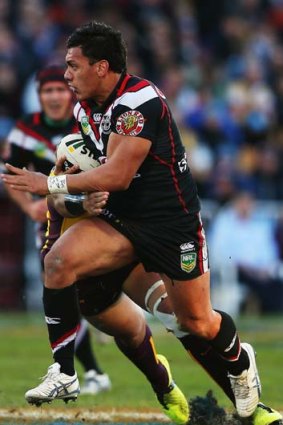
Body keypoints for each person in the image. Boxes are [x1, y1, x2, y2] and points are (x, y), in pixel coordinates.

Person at [1, 21, 263, 419]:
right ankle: (65, 370)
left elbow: (116, 175)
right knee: (57, 261)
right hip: (121, 219)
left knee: (196, 321)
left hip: (170, 224)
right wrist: (70, 186)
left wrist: (48, 181)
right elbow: (94, 173)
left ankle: (240, 363)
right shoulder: (84, 108)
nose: (66, 74)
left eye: (73, 66)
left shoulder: (139, 103)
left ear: (101, 67)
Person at [46, 189, 283, 425]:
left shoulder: (131, 156)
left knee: (184, 320)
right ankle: (163, 385)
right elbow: (55, 197)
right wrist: (69, 195)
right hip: (83, 265)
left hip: (127, 244)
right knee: (130, 332)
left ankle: (251, 409)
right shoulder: (70, 153)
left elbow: (121, 174)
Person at [1, 65, 111, 395]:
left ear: (70, 92)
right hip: (52, 221)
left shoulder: (86, 120)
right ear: (39, 97)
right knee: (65, 294)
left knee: (85, 294)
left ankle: (93, 364)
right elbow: (12, 177)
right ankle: (91, 370)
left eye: (59, 89)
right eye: (47, 91)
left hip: (95, 215)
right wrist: (30, 207)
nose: (54, 96)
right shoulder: (25, 131)